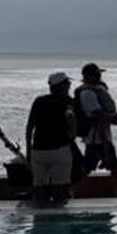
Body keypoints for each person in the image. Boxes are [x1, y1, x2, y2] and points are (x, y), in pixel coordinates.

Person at [25, 72, 75, 205]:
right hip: (60, 150)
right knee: (60, 189)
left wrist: (28, 151)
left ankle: (40, 219)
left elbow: (30, 127)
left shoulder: (39, 101)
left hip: (38, 151)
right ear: (62, 86)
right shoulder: (68, 102)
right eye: (67, 83)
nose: (69, 85)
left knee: (39, 187)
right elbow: (74, 126)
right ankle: (59, 220)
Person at [75, 63, 117, 187]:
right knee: (91, 168)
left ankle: (75, 191)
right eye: (97, 73)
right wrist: (114, 117)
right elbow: (97, 114)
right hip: (96, 138)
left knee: (91, 167)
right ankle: (74, 191)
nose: (99, 76)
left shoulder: (95, 90)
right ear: (88, 76)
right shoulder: (87, 93)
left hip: (100, 137)